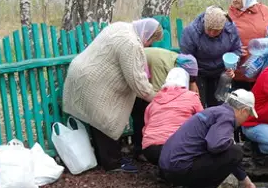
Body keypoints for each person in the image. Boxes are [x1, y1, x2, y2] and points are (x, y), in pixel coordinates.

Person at [63, 18, 163, 173]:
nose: (148, 45)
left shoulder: (121, 26)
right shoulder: (131, 43)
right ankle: (113, 163)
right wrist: (157, 98)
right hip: (94, 81)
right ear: (147, 34)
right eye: (150, 41)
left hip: (82, 73)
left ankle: (105, 158)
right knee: (106, 119)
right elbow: (137, 82)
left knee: (97, 119)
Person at [159, 89, 258, 188]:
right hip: (179, 169)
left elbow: (223, 153)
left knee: (231, 150)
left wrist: (246, 182)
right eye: (248, 115)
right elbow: (216, 146)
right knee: (236, 151)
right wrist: (231, 143)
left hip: (168, 168)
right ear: (244, 111)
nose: (246, 119)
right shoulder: (227, 117)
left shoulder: (215, 111)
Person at [132, 48, 199, 160]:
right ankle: (139, 150)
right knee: (141, 116)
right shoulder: (161, 64)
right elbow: (158, 96)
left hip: (145, 83)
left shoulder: (178, 61)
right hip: (137, 84)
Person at [180, 6, 242, 107]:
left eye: (217, 31)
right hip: (198, 72)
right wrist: (192, 81)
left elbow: (237, 49)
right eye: (209, 29)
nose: (212, 33)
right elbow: (186, 57)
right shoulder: (191, 32)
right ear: (204, 23)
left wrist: (231, 66)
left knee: (219, 105)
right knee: (198, 104)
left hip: (220, 72)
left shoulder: (230, 30)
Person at [141, 67, 203, 166]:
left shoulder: (155, 100)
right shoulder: (192, 97)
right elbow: (203, 121)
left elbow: (146, 127)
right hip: (176, 148)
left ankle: (164, 171)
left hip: (150, 149)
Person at [228, 0, 268, 91]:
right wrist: (234, 49)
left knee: (261, 103)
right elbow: (222, 40)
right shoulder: (229, 15)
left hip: (263, 66)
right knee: (241, 104)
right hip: (241, 69)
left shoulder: (264, 10)